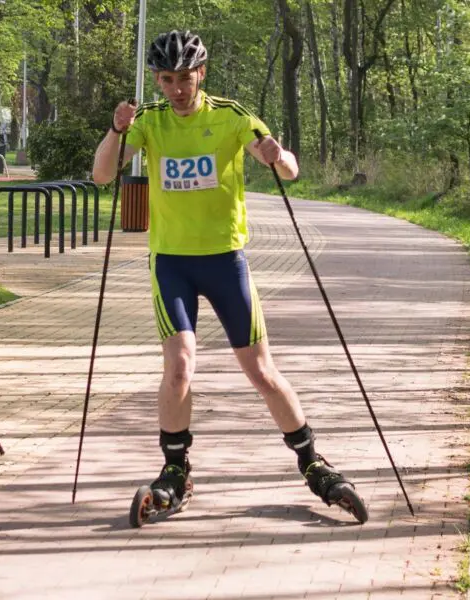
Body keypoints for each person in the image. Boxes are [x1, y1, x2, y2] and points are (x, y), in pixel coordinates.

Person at [92, 31, 365, 519]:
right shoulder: (148, 122)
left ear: (202, 74)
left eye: (185, 77)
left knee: (260, 371)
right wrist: (115, 131)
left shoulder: (232, 115)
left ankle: (312, 463)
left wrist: (276, 156)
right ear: (157, 80)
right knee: (178, 368)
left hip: (225, 261)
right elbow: (102, 176)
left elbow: (290, 172)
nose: (177, 88)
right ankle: (175, 470)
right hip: (172, 264)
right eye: (166, 79)